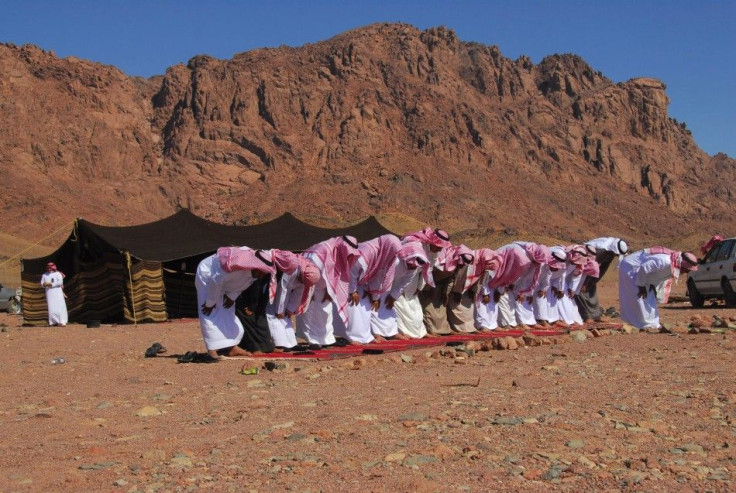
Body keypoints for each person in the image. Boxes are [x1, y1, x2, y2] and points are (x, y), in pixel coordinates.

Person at [196, 247, 276, 360]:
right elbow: (215, 281)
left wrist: (231, 297)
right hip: (208, 274)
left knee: (228, 311)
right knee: (209, 312)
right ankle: (212, 350)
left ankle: (231, 348)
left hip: (226, 284)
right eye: (262, 272)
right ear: (256, 267)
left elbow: (243, 284)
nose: (263, 275)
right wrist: (210, 302)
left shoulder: (254, 273)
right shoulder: (234, 267)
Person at [296, 236, 361, 348]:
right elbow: (308, 270)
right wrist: (307, 290)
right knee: (310, 312)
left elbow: (336, 274)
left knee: (326, 311)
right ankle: (312, 340)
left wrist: (329, 290)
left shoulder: (338, 252)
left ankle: (327, 339)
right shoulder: (324, 249)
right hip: (309, 285)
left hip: (324, 287)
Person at [339, 234, 402, 344]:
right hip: (346, 280)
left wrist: (375, 296)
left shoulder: (385, 256)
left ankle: (365, 337)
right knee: (354, 306)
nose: (394, 255)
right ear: (388, 247)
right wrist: (352, 291)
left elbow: (380, 277)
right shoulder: (369, 252)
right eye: (393, 251)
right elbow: (352, 271)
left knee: (366, 306)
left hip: (361, 283)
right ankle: (352, 337)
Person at [618, 247, 699, 330]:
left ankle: (652, 324)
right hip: (631, 267)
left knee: (649, 296)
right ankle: (641, 324)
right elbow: (644, 268)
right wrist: (641, 286)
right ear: (682, 265)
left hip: (641, 273)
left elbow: (656, 275)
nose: (687, 272)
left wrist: (652, 285)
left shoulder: (671, 263)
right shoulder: (665, 261)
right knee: (639, 296)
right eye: (687, 269)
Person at [394, 228, 452, 338]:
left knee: (415, 308)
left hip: (415, 279)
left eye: (441, 248)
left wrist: (420, 287)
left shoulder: (435, 252)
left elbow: (428, 269)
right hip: (402, 275)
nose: (439, 249)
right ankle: (402, 332)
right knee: (399, 303)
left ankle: (421, 333)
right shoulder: (416, 244)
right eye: (438, 246)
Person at [370, 241, 429, 340]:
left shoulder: (414, 268)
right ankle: (376, 333)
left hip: (389, 288)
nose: (413, 267)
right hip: (376, 285)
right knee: (374, 308)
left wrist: (393, 296)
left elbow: (405, 283)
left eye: (415, 266)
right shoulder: (396, 261)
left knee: (389, 308)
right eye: (412, 264)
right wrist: (375, 296)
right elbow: (381, 276)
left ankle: (392, 332)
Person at [267, 250, 321, 351]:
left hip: (286, 290)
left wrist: (290, 309)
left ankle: (291, 343)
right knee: (273, 314)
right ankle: (280, 343)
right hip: (275, 284)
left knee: (286, 317)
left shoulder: (306, 274)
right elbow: (282, 289)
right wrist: (279, 310)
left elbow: (298, 292)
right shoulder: (292, 270)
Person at [422, 244, 474, 335]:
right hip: (428, 285)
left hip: (440, 287)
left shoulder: (457, 265)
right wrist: (428, 288)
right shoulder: (443, 259)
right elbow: (429, 273)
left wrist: (446, 293)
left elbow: (451, 279)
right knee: (429, 309)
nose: (462, 266)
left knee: (441, 310)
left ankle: (443, 330)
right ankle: (431, 330)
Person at [575, 237, 628, 322]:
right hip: (583, 268)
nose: (617, 255)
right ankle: (586, 317)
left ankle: (596, 316)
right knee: (579, 290)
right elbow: (590, 265)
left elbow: (603, 268)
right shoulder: (601, 250)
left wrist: (593, 281)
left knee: (591, 290)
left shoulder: (611, 253)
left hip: (591, 271)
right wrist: (585, 282)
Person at [41, 262, 68, 326]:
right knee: (51, 307)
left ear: (53, 268)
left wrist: (51, 284)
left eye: (50, 268)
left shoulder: (58, 274)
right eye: (48, 268)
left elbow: (60, 282)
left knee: (60, 306)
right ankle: (52, 322)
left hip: (57, 292)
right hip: (49, 293)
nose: (49, 269)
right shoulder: (44, 275)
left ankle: (62, 321)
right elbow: (42, 283)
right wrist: (44, 284)